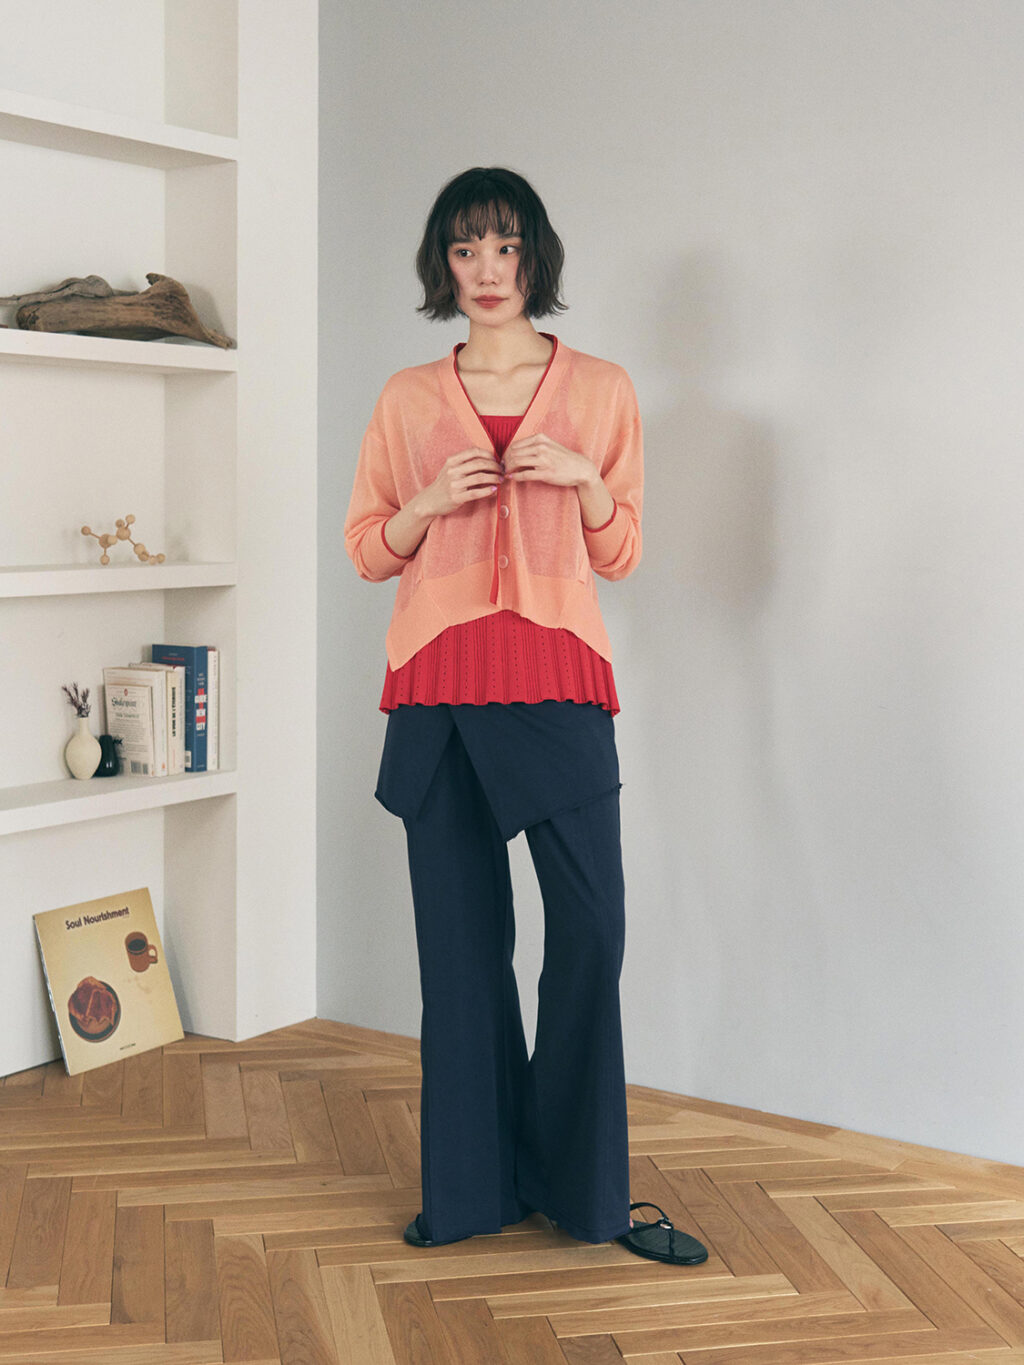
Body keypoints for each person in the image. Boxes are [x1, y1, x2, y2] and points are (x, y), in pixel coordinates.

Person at [344, 167, 707, 1267]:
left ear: (533, 256)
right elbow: (366, 549)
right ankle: (468, 1190)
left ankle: (585, 1191)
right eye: (465, 250)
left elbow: (622, 550)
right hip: (437, 685)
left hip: (556, 679)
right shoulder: (409, 398)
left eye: (504, 247)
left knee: (590, 931)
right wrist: (423, 504)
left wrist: (586, 483)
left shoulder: (599, 389)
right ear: (442, 265)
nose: (486, 270)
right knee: (460, 953)